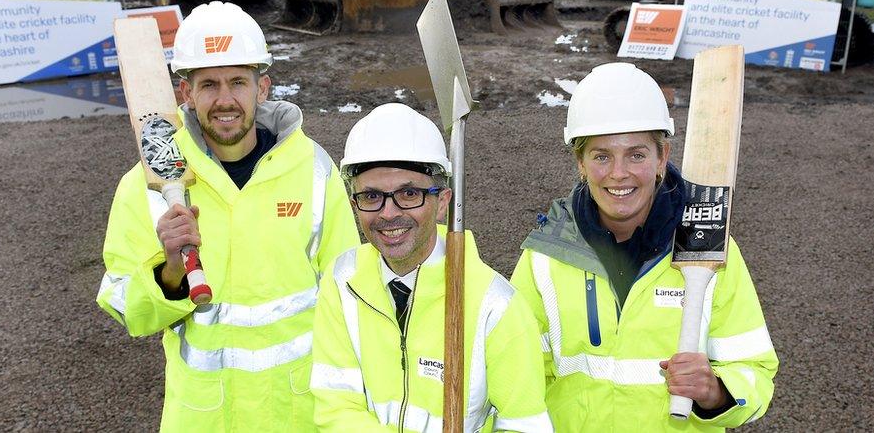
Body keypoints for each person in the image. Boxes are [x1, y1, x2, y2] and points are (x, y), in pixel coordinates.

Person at [96, 1, 360, 431]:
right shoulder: (146, 187)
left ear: (263, 88)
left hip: (299, 416)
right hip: (204, 418)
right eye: (208, 84)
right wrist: (170, 274)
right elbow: (127, 311)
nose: (225, 99)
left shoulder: (313, 169)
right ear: (186, 93)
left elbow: (348, 293)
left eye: (238, 82)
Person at [510, 63, 778, 431]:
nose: (619, 173)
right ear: (581, 165)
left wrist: (716, 392)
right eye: (602, 156)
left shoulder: (709, 247)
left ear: (661, 159)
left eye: (636, 154)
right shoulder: (545, 256)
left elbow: (754, 370)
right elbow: (515, 375)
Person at [311, 103, 553, 432]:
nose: (388, 213)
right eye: (370, 196)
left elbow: (524, 426)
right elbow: (336, 408)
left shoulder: (495, 307)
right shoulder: (343, 283)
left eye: (409, 193)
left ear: (442, 202)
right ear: (354, 204)